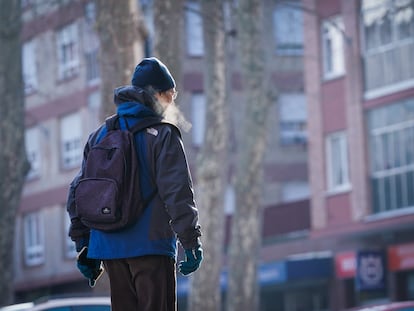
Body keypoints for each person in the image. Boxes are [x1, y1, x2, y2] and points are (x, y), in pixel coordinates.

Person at [66, 57, 203, 311]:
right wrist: (191, 241)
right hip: (151, 247)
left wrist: (84, 244)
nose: (173, 101)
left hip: (109, 250)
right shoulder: (163, 134)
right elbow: (177, 192)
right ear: (158, 94)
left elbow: (78, 191)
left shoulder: (100, 135)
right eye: (171, 95)